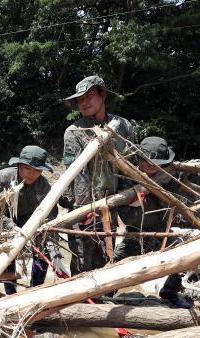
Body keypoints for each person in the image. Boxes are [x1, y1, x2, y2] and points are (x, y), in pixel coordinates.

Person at [62, 75, 135, 274]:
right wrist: (81, 207)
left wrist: (127, 199)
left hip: (111, 204)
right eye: (80, 99)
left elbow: (130, 166)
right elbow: (73, 172)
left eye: (90, 96)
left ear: (103, 95)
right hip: (82, 208)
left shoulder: (123, 126)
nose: (84, 102)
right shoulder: (74, 132)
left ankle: (99, 302)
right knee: (81, 262)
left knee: (104, 257)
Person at [114, 136, 191, 308]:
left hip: (161, 230)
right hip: (136, 232)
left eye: (156, 162)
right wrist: (149, 188)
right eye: (146, 161)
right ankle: (100, 297)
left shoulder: (169, 175)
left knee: (186, 254)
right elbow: (126, 209)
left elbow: (178, 199)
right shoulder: (127, 175)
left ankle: (170, 291)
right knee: (116, 268)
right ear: (139, 158)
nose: (150, 165)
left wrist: (167, 179)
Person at [0, 146, 68, 294]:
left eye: (37, 170)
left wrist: (56, 255)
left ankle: (35, 290)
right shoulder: (3, 178)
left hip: (33, 224)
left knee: (44, 251)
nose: (32, 174)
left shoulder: (43, 185)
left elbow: (49, 220)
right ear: (19, 165)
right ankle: (10, 293)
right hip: (6, 224)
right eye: (28, 168)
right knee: (6, 253)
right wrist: (12, 228)